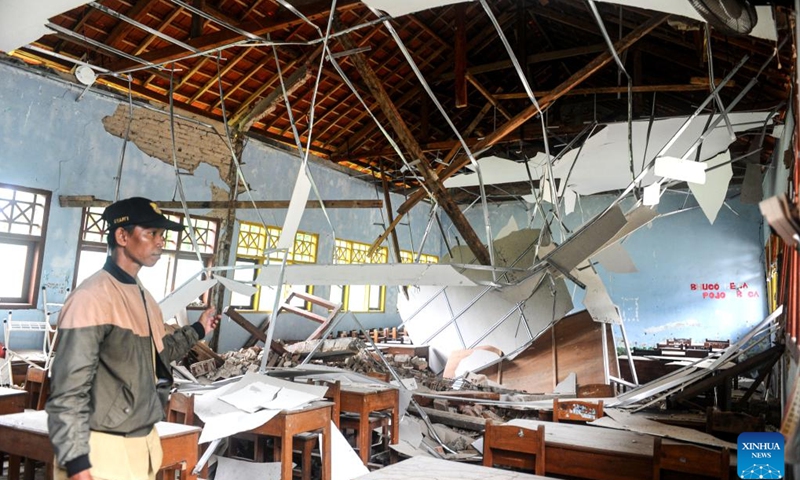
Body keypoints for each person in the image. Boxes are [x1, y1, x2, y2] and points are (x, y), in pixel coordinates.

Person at [46, 197, 220, 480]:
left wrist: (199, 329)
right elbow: (68, 388)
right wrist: (77, 463)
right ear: (122, 236)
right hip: (100, 450)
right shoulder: (92, 298)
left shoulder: (144, 298)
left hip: (142, 443)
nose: (160, 242)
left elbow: (158, 356)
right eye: (151, 233)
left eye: (161, 235)